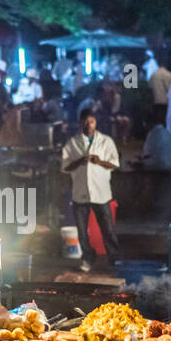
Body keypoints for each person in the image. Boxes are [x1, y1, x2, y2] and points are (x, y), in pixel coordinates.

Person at [62, 108, 121, 274]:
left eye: (92, 121)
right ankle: (88, 257)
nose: (89, 125)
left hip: (101, 193)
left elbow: (115, 164)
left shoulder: (106, 141)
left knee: (107, 229)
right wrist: (80, 161)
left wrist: (99, 161)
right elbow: (66, 166)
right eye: (86, 122)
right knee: (82, 231)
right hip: (80, 192)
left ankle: (114, 258)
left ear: (96, 123)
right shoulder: (73, 143)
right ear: (81, 122)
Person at [137, 106, 171, 170]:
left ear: (150, 122)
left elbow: (148, 155)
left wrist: (141, 158)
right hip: (169, 165)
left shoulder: (152, 134)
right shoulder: (166, 132)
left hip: (157, 166)